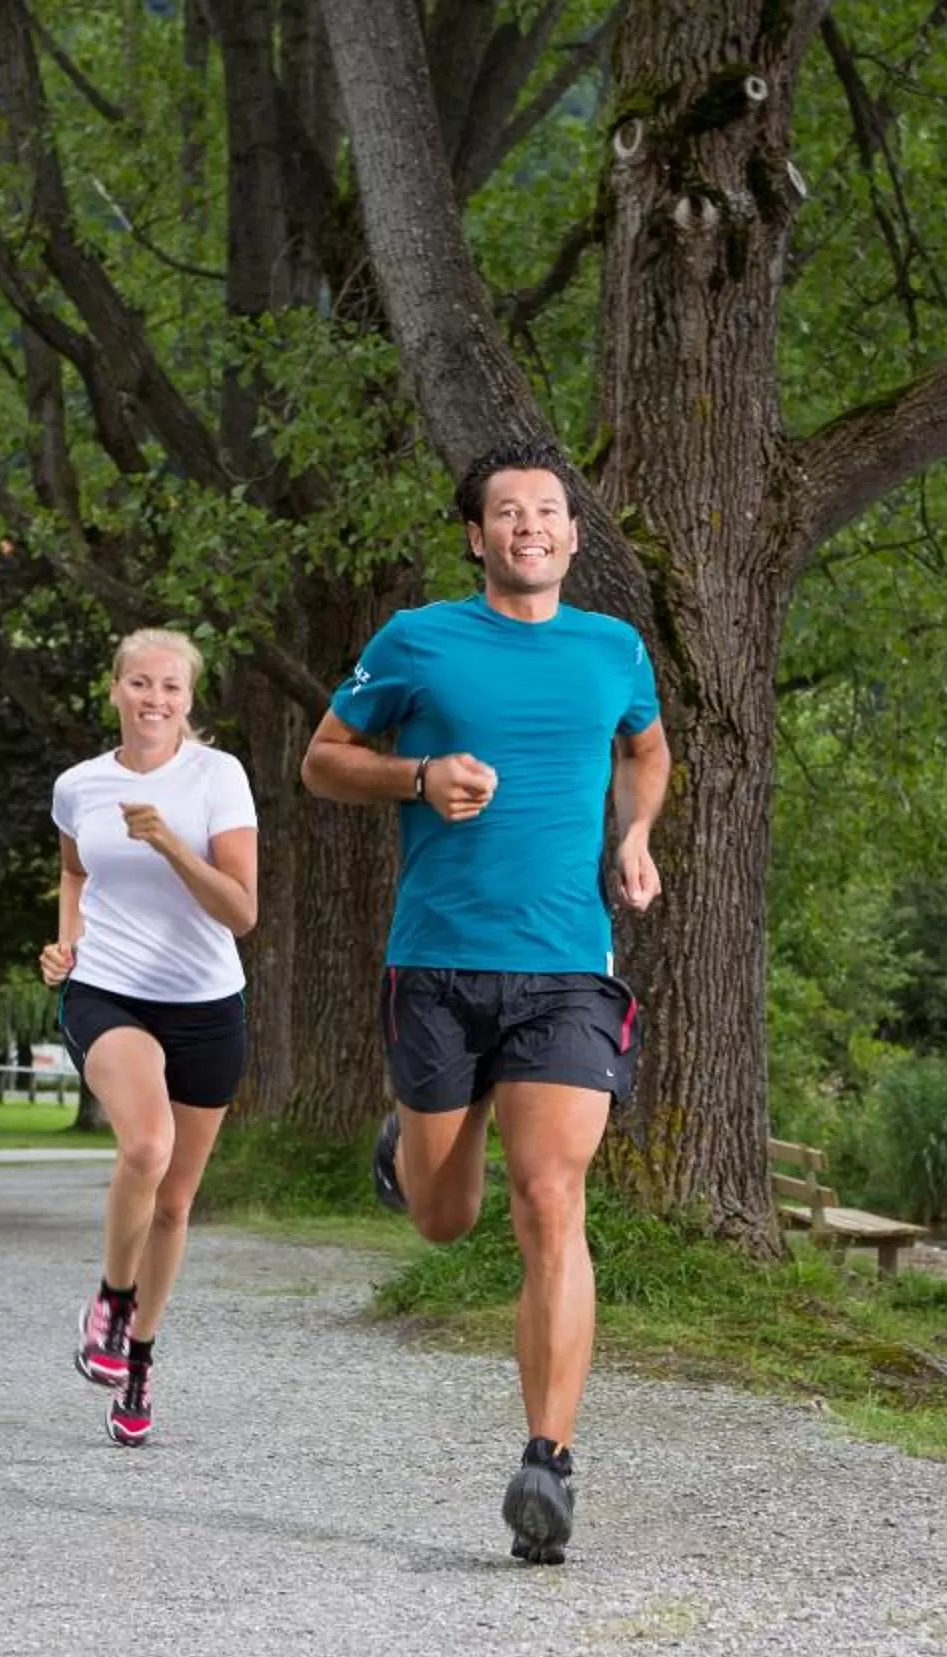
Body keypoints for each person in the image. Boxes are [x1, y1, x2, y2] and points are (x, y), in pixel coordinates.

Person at [301, 440, 670, 1563]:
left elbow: (647, 752)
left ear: (572, 534)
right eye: (507, 512)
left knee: (552, 1198)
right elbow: (321, 759)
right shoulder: (415, 640)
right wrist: (417, 777)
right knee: (444, 1215)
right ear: (477, 535)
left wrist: (637, 829)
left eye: (548, 511)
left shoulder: (614, 648)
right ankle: (413, 1145)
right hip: (441, 962)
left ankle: (546, 1463)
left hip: (566, 962)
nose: (529, 526)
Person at [41, 628, 260, 1446]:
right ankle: (110, 1296)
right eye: (140, 684)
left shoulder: (218, 779)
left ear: (188, 698)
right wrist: (68, 942)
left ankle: (138, 1358)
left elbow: (242, 911)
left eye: (170, 687)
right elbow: (74, 870)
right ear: (115, 690)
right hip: (107, 992)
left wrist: (171, 842)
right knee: (146, 1146)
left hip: (206, 1002)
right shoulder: (79, 786)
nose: (154, 700)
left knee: (174, 1205)